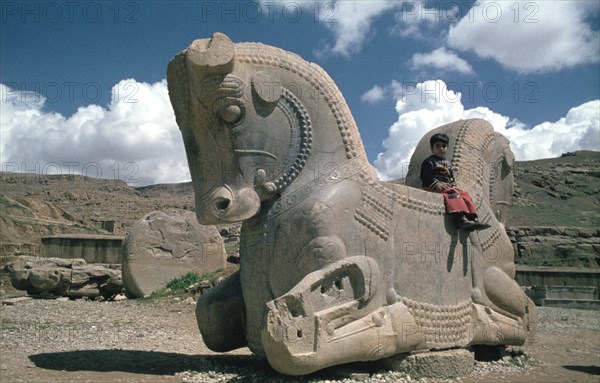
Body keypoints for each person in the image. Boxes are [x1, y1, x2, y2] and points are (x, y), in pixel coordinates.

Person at [420, 133, 490, 231]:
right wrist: (436, 184)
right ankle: (460, 219)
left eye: (444, 146)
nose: (441, 149)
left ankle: (472, 218)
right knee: (454, 194)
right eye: (438, 146)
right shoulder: (429, 161)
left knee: (465, 194)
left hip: (447, 187)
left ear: (447, 148)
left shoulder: (447, 163)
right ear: (432, 148)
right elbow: (424, 176)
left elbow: (451, 177)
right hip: (434, 187)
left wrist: (452, 185)